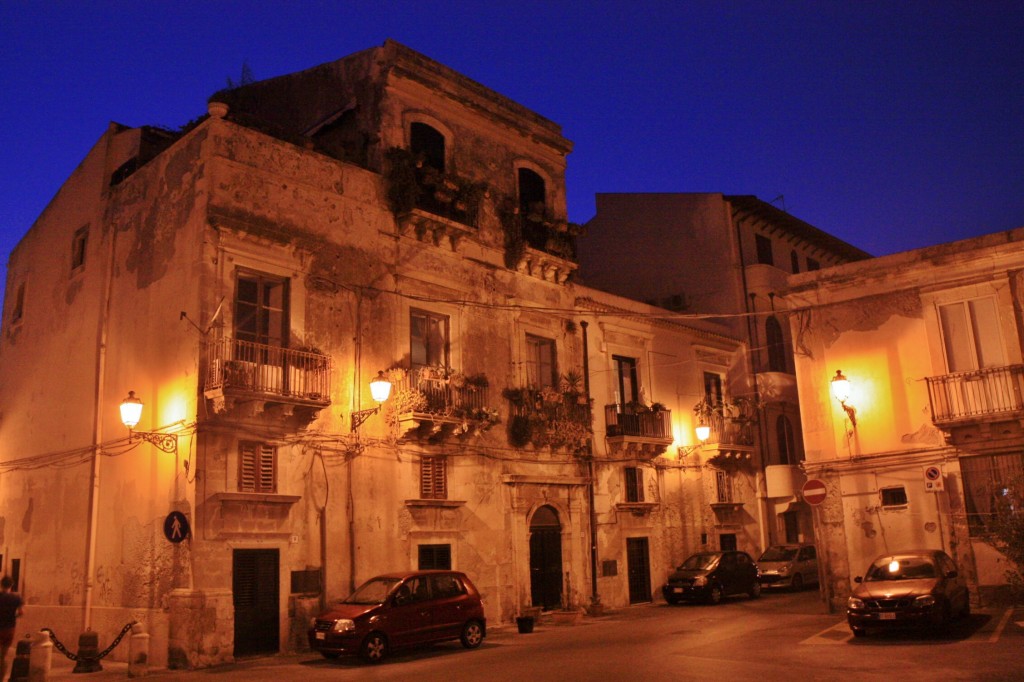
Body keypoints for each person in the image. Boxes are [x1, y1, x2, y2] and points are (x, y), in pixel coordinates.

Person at [0, 576, 24, 677]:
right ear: (12, 585)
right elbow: (21, 612)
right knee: (3, 656)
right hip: (10, 628)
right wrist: (13, 616)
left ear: (1, 585)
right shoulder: (17, 598)